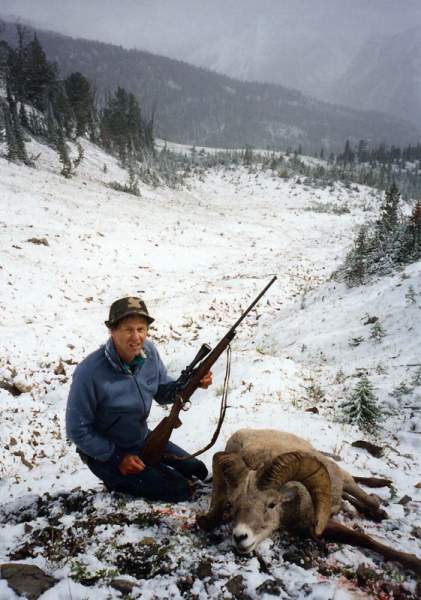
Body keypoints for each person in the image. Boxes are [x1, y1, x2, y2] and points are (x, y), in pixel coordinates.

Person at [66, 296, 212, 502]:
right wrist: (117, 458)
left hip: (142, 439)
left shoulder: (149, 353)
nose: (136, 337)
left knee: (198, 471)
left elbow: (163, 392)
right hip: (107, 454)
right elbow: (77, 430)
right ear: (112, 330)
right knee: (180, 489)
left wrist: (193, 383)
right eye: (128, 329)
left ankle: (150, 471)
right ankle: (118, 478)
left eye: (141, 329)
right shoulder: (89, 372)